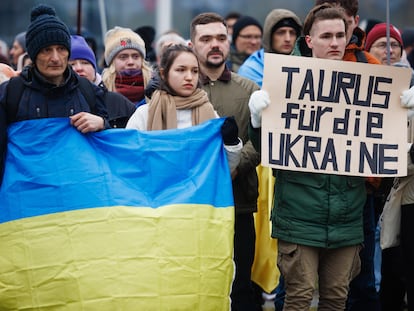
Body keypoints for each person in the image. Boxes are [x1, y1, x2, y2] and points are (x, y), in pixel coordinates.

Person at [248, 4, 365, 310]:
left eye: (341, 35)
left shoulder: (366, 81)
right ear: (309, 40)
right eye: (326, 36)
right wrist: (258, 121)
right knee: (298, 298)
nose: (336, 42)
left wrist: (404, 115)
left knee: (337, 299)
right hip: (299, 216)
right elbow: (266, 148)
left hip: (347, 216)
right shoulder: (283, 79)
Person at [189, 12, 261, 311]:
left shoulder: (250, 91)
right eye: (205, 39)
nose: (214, 45)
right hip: (191, 207)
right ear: (192, 44)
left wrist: (230, 167)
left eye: (220, 38)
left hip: (238, 204)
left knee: (241, 283)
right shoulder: (179, 89)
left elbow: (262, 142)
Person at [0, 4, 109, 185]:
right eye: (46, 50)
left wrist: (102, 124)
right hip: (28, 199)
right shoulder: (11, 93)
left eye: (61, 49)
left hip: (80, 196)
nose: (56, 58)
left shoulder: (88, 90)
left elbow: (111, 147)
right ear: (34, 55)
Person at [125, 44, 242, 176]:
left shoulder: (209, 112)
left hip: (199, 195)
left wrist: (232, 143)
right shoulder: (145, 113)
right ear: (163, 74)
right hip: (158, 193)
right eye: (181, 70)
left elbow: (223, 169)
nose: (189, 77)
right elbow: (129, 161)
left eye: (195, 71)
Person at [365, 22, 414, 311]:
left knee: (400, 268)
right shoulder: (358, 86)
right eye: (381, 44)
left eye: (393, 44)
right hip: (370, 190)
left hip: (403, 193)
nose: (389, 50)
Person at [69, 35, 136, 128]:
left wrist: (104, 125)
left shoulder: (119, 102)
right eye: (72, 64)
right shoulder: (58, 102)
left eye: (85, 63)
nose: (79, 68)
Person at [238, 9, 302, 87]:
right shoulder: (250, 70)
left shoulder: (306, 64)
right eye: (281, 32)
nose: (287, 39)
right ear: (269, 36)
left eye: (292, 33)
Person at [102, 26, 152, 108]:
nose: (130, 62)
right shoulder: (101, 91)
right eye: (123, 57)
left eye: (135, 56)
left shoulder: (156, 89)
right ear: (112, 61)